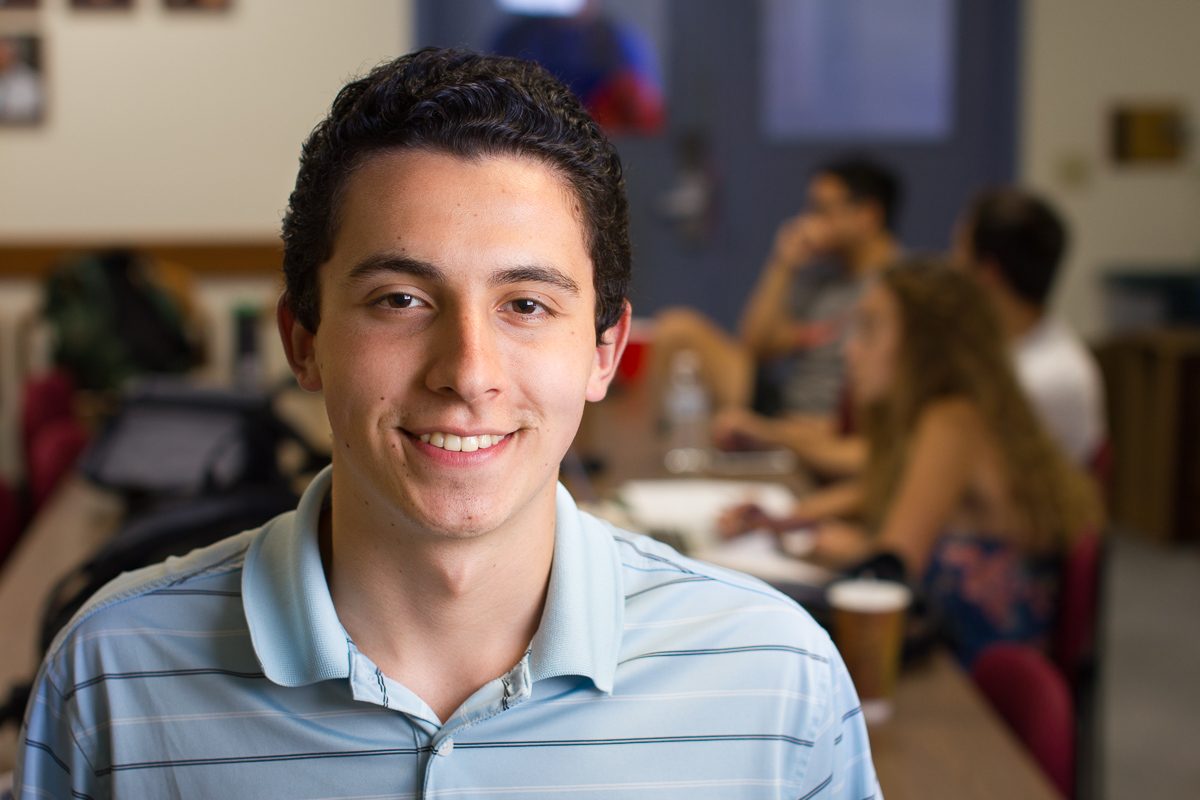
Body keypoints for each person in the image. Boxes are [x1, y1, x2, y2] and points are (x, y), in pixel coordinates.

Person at [16, 49, 879, 798]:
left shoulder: (776, 682)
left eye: (527, 304)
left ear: (605, 352)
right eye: (400, 300)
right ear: (303, 341)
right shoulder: (110, 680)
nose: (468, 372)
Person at [721, 260, 1102, 666]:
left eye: (869, 329)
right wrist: (790, 521)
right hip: (960, 651)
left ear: (922, 347)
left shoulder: (952, 422)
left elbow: (892, 568)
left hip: (971, 673)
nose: (851, 349)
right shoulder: (952, 414)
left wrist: (826, 544)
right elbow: (874, 489)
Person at [653, 156, 902, 417]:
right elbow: (756, 347)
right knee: (677, 329)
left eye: (822, 210)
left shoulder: (899, 284)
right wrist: (783, 263)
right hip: (788, 404)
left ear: (867, 215)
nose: (808, 222)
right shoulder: (823, 281)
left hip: (836, 419)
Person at [954, 187, 1106, 465]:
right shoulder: (1004, 341)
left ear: (988, 272)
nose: (952, 264)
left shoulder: (1048, 376)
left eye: (960, 252)